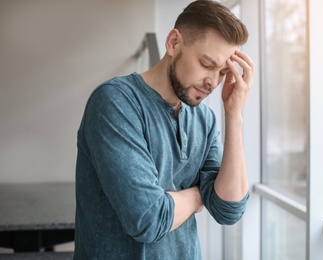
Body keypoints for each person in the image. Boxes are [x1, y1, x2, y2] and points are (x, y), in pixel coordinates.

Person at [74, 0, 254, 259]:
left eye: (223, 72)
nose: (213, 82)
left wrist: (234, 116)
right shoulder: (115, 102)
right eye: (207, 64)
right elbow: (148, 218)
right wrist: (197, 195)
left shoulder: (205, 118)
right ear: (173, 43)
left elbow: (228, 209)